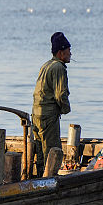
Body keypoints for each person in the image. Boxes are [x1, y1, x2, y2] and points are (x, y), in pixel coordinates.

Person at [31, 31, 71, 176]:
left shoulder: (46, 65)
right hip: (48, 117)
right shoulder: (59, 68)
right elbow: (61, 94)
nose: (71, 54)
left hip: (36, 115)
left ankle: (39, 177)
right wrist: (66, 109)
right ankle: (48, 181)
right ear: (61, 53)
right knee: (52, 151)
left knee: (41, 151)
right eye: (68, 50)